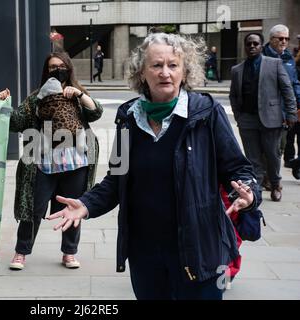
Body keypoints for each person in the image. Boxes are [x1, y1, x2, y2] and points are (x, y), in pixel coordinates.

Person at [48, 33, 262, 300]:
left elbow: (239, 169)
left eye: (173, 65)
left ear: (185, 71)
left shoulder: (206, 113)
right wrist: (86, 204)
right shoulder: (129, 117)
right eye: (156, 65)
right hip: (145, 252)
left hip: (200, 249)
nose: (165, 73)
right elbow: (117, 179)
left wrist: (249, 194)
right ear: (142, 72)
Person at [0, 52, 103, 271]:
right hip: (42, 165)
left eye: (61, 66)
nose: (57, 70)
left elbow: (96, 112)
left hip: (76, 164)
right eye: (52, 67)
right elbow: (15, 122)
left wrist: (79, 96)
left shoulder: (77, 94)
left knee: (72, 208)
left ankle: (69, 253)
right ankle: (21, 252)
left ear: (69, 69)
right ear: (46, 71)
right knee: (33, 209)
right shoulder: (36, 97)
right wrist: (4, 103)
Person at [230, 33, 297, 202]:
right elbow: (233, 96)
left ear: (261, 46)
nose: (252, 46)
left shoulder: (274, 64)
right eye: (249, 44)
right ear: (245, 47)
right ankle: (256, 189)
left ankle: (275, 184)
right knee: (252, 158)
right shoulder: (236, 70)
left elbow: (287, 90)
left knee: (272, 155)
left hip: (271, 119)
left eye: (255, 43)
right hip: (247, 120)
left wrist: (290, 114)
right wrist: (239, 117)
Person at [262, 25, 300, 169]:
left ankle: (271, 176)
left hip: (284, 111)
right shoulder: (263, 56)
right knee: (268, 147)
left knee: (280, 146)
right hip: (267, 110)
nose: (284, 41)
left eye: (286, 38)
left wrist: (298, 101)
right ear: (271, 39)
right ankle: (269, 178)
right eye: (280, 38)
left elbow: (294, 82)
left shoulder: (289, 58)